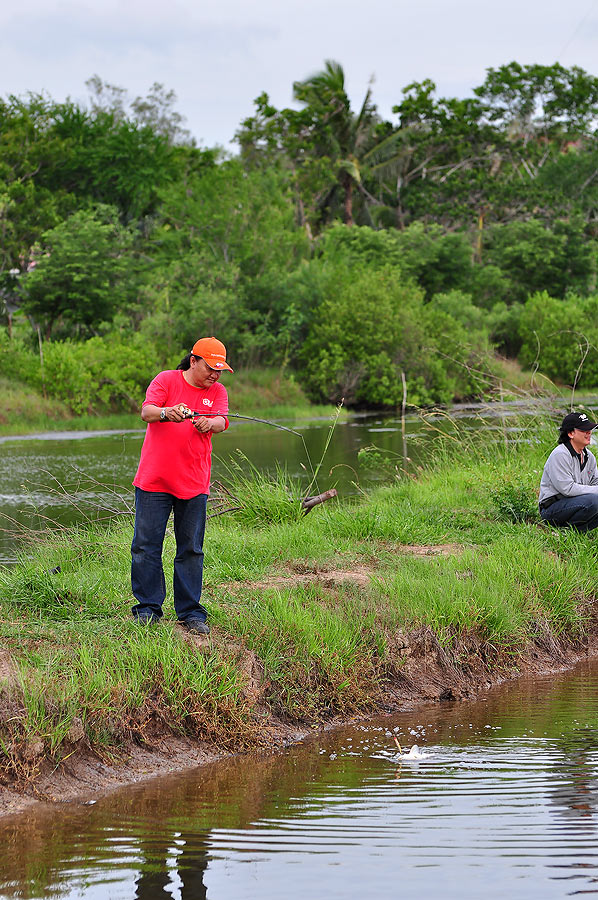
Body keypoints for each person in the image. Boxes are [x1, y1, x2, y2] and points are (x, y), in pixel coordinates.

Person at [131, 337, 233, 633]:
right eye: (211, 368)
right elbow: (146, 412)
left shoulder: (218, 391)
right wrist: (167, 412)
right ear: (193, 361)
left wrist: (209, 423)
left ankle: (190, 612)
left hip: (194, 482)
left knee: (191, 548)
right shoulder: (166, 380)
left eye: (220, 370)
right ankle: (148, 608)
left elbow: (222, 420)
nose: (215, 375)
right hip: (154, 481)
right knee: (145, 546)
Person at [538, 411, 598, 532]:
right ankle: (569, 529)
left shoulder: (589, 456)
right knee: (594, 501)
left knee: (594, 500)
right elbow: (567, 489)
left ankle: (574, 531)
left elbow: (595, 482)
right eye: (583, 430)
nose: (589, 433)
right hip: (552, 508)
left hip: (577, 502)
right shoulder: (560, 454)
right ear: (571, 433)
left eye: (589, 429)